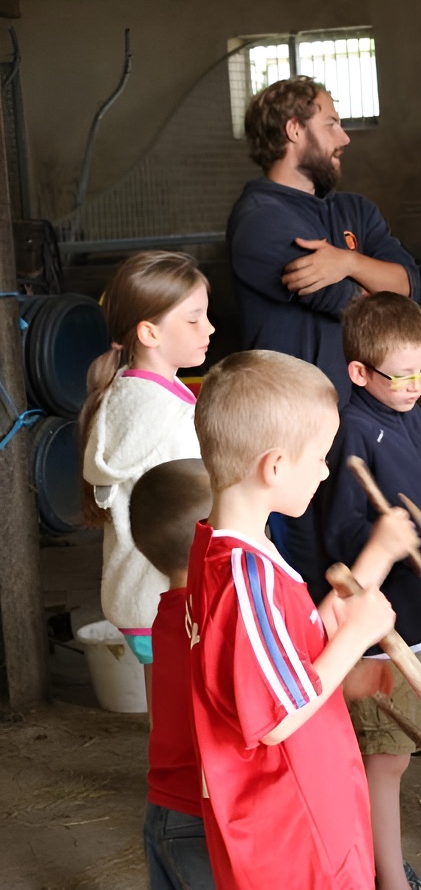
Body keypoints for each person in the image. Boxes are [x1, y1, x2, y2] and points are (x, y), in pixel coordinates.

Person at [188, 349, 419, 889]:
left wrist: (334, 611)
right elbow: (276, 714)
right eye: (319, 456)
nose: (325, 470)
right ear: (273, 466)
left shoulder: (224, 551)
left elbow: (267, 652)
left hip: (294, 808)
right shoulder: (246, 574)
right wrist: (356, 637)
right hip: (293, 825)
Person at [315, 292, 421, 890]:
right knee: (385, 756)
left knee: (394, 751)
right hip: (377, 624)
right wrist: (398, 544)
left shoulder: (408, 413)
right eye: (401, 375)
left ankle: (378, 866)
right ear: (359, 372)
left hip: (413, 609)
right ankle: (386, 879)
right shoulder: (352, 432)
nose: (415, 385)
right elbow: (345, 531)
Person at [228, 75, 420, 404]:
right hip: (290, 419)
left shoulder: (356, 209)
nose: (343, 137)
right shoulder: (259, 219)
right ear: (294, 130)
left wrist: (348, 261)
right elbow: (358, 305)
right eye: (331, 123)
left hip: (354, 417)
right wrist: (375, 279)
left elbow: (408, 286)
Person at [81, 251, 214, 704]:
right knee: (190, 721)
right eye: (194, 319)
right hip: (171, 595)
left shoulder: (126, 393)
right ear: (149, 332)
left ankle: (172, 777)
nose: (210, 328)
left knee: (170, 720)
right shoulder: (168, 415)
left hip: (139, 595)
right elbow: (198, 501)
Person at [129, 458, 215, 890]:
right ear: (209, 538)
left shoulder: (168, 612)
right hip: (197, 813)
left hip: (166, 807)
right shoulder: (207, 619)